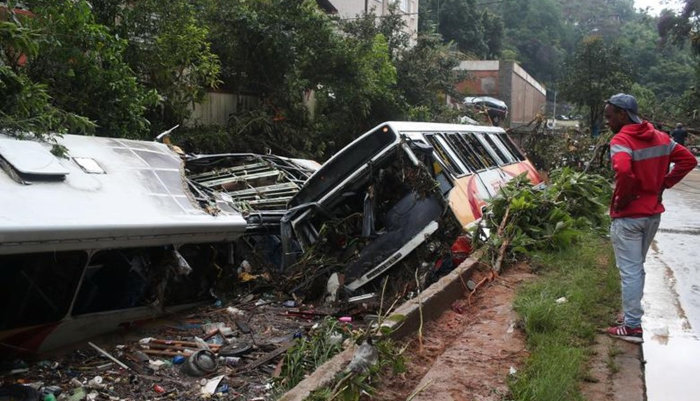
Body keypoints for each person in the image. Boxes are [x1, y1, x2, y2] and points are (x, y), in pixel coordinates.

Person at [604, 93, 697, 343]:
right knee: (637, 267)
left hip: (629, 217)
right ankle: (631, 318)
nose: (607, 121)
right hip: (652, 215)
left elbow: (623, 171)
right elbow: (687, 160)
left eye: (610, 116)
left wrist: (623, 199)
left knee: (630, 270)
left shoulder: (621, 140)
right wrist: (663, 184)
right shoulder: (661, 137)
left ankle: (633, 326)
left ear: (623, 115)